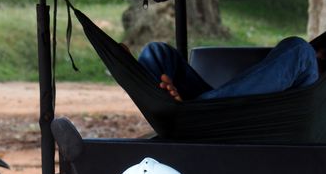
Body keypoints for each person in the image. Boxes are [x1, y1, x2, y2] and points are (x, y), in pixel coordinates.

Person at [137, 33, 326, 103]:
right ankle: (178, 106)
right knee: (157, 52)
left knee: (300, 49)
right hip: (232, 109)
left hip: (289, 114)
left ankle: (194, 110)